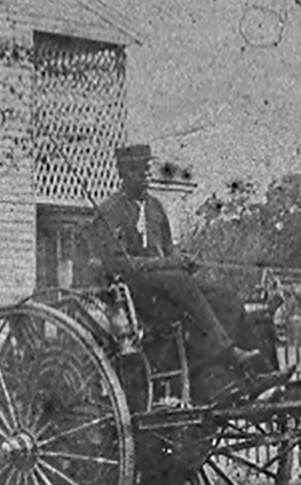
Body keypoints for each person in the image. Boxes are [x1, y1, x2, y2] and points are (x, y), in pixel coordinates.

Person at [89, 143, 262, 393]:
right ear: (123, 174)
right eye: (138, 171)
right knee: (178, 279)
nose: (145, 177)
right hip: (136, 294)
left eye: (147, 170)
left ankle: (254, 375)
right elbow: (118, 264)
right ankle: (229, 353)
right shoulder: (109, 211)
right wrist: (170, 264)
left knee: (227, 298)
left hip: (169, 285)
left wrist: (183, 258)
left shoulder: (155, 207)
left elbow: (168, 249)